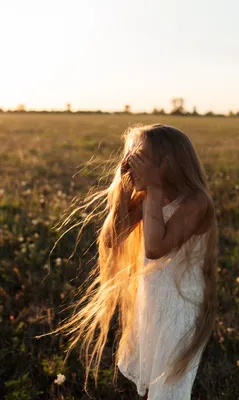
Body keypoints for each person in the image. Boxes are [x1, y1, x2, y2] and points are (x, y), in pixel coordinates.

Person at [37, 123, 218, 399]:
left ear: (166, 163)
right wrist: (123, 191)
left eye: (138, 158)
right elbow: (113, 238)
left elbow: (156, 247)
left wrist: (154, 188)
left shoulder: (195, 202)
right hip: (152, 301)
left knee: (167, 386)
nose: (130, 164)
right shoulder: (148, 198)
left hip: (179, 309)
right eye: (129, 157)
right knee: (148, 382)